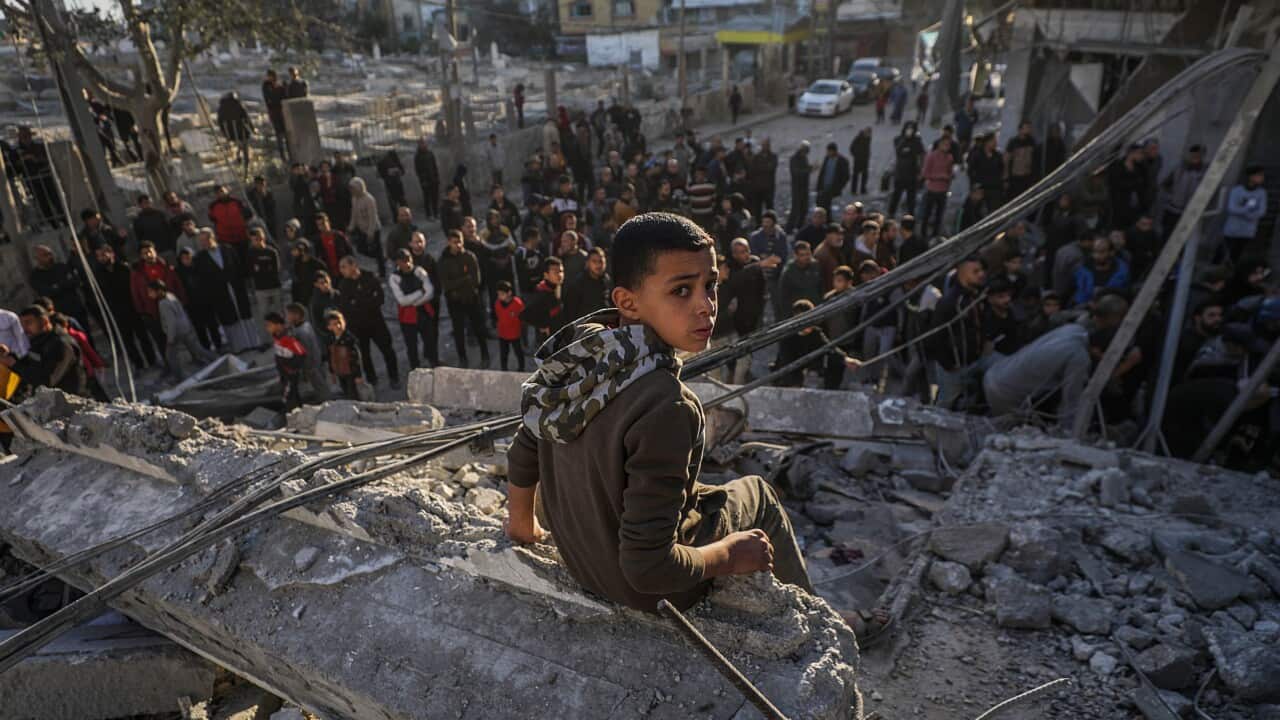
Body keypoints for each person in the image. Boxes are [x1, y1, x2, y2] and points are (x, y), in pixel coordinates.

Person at [505, 212, 819, 618]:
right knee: (758, 492)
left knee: (700, 490)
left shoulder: (581, 354)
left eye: (711, 286)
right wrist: (727, 554)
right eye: (681, 291)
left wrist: (522, 526)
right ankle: (811, 610)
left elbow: (526, 444)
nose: (706, 306)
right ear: (627, 302)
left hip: (581, 560)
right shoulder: (669, 406)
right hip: (647, 593)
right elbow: (648, 569)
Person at [984, 295, 1126, 429]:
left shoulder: (1071, 330)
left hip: (994, 375)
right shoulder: (1079, 357)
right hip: (1004, 396)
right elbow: (1071, 406)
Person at [924, 255, 986, 410]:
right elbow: (936, 336)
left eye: (981, 270)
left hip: (971, 362)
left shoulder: (974, 296)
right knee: (945, 404)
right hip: (953, 367)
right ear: (962, 273)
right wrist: (948, 364)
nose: (981, 274)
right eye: (975, 271)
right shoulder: (950, 301)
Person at [92, 243, 159, 370]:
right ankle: (138, 365)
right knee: (127, 342)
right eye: (99, 256)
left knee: (143, 336)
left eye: (103, 255)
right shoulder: (98, 274)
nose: (101, 258)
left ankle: (152, 361)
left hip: (133, 308)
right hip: (117, 312)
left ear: (111, 253)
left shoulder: (124, 268)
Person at [336, 256, 400, 389]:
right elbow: (346, 308)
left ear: (353, 265)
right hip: (358, 326)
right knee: (364, 355)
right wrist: (366, 301)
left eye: (344, 267)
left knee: (387, 349)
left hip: (376, 322)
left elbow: (380, 298)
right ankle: (372, 379)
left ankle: (394, 377)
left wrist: (359, 303)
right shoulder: (344, 286)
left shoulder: (369, 277)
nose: (341, 270)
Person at [0, 306, 85, 396]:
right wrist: (9, 355)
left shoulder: (62, 344)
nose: (24, 328)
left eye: (28, 322)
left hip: (68, 402)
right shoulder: (37, 342)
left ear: (44, 321)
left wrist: (14, 364)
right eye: (22, 325)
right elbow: (31, 363)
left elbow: (47, 380)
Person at [195, 229, 257, 352]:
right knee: (229, 318)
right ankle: (239, 347)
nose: (204, 243)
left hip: (236, 287)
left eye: (206, 239)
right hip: (219, 293)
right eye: (201, 241)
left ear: (212, 237)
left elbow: (238, 267)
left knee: (244, 313)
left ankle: (253, 343)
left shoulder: (227, 249)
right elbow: (203, 279)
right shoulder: (200, 258)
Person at [438, 229, 491, 368]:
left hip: (471, 299)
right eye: (454, 242)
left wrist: (459, 283)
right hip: (455, 301)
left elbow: (476, 280)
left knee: (479, 328)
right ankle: (463, 358)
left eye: (460, 242)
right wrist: (464, 280)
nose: (458, 245)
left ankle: (485, 355)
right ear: (449, 242)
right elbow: (446, 284)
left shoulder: (469, 257)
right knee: (459, 332)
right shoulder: (444, 260)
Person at [148, 280, 212, 381]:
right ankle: (218, 358)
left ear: (158, 291)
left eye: (151, 291)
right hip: (185, 328)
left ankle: (179, 378)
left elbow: (171, 322)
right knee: (198, 349)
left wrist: (170, 338)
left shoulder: (163, 304)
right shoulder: (170, 295)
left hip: (176, 332)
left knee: (171, 357)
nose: (149, 294)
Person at [389, 249, 438, 370]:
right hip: (407, 318)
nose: (407, 263)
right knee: (412, 346)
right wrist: (420, 292)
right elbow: (402, 301)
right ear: (398, 263)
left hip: (423, 312)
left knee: (430, 341)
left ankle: (434, 363)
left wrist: (414, 303)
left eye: (408, 259)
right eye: (403, 261)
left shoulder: (419, 271)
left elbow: (430, 292)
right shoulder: (395, 278)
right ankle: (415, 369)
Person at [29, 245, 90, 335]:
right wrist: (63, 284)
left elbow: (75, 281)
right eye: (45, 255)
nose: (50, 257)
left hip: (76, 308)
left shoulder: (62, 267)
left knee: (86, 334)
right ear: (37, 258)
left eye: (50, 254)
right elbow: (46, 292)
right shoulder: (35, 277)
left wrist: (58, 286)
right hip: (60, 313)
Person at [246, 227, 284, 348]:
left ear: (263, 237)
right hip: (260, 289)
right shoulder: (250, 254)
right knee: (264, 315)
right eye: (254, 239)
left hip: (274, 286)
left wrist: (262, 270)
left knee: (279, 313)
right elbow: (251, 272)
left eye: (259, 238)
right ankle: (268, 340)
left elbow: (276, 269)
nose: (257, 241)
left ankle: (283, 336)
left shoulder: (271, 252)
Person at [1222, 165, 1267, 264]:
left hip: (1247, 231)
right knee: (1222, 254)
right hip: (1232, 230)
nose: (1262, 178)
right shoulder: (1237, 190)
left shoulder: (1261, 193)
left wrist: (1244, 213)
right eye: (1259, 175)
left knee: (1236, 256)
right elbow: (1231, 208)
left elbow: (1261, 211)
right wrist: (1247, 210)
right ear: (1251, 176)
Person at [1173, 298, 1224, 383]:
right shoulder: (1185, 343)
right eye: (1212, 315)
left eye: (1220, 315)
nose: (1218, 319)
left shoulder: (1218, 340)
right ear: (1197, 318)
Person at [1160, 144, 1205, 241]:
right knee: (1166, 236)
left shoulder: (1205, 172)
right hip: (1172, 210)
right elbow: (1165, 184)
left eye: (1197, 155)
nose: (1194, 157)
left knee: (1181, 240)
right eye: (1193, 154)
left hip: (1188, 213)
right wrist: (1171, 196)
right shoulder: (1179, 168)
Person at [1072, 234, 1130, 307]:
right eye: (1094, 251)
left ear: (1111, 252)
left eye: (1101, 252)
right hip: (1082, 307)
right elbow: (1079, 291)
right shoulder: (1083, 268)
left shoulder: (1121, 271)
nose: (1097, 256)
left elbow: (1123, 294)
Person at [520, 256, 566, 344]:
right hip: (548, 340)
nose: (559, 275)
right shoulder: (542, 293)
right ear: (546, 275)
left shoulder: (558, 286)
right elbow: (524, 315)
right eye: (555, 272)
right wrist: (543, 326)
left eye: (561, 271)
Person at [323, 310, 364, 400]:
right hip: (340, 371)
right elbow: (329, 357)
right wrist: (332, 372)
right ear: (329, 327)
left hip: (350, 371)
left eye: (339, 322)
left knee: (353, 394)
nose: (338, 326)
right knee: (345, 391)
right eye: (334, 324)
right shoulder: (330, 340)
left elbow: (356, 358)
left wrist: (358, 375)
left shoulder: (349, 339)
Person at [920, 136, 955, 238]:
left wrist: (950, 176)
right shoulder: (931, 156)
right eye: (944, 144)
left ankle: (935, 234)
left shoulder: (949, 157)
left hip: (943, 190)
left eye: (948, 145)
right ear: (939, 145)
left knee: (939, 215)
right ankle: (923, 233)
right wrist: (939, 176)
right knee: (927, 213)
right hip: (932, 189)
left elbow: (950, 173)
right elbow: (925, 174)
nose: (946, 147)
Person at [207, 185, 252, 263]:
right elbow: (213, 219)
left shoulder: (237, 202)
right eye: (217, 193)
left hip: (241, 235)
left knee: (246, 257)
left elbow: (248, 214)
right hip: (225, 239)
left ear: (226, 190)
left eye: (222, 191)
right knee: (232, 260)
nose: (220, 194)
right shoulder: (213, 206)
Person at [889, 122, 925, 218]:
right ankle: (891, 213)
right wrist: (905, 140)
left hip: (912, 173)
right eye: (908, 128)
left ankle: (910, 215)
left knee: (911, 197)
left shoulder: (917, 142)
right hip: (900, 173)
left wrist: (921, 171)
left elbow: (922, 155)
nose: (909, 131)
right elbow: (898, 150)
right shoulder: (899, 139)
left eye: (911, 129)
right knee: (896, 195)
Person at [778, 240, 824, 310]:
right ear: (796, 256)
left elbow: (821, 287)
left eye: (808, 254)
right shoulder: (788, 272)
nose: (806, 257)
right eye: (802, 255)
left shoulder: (816, 266)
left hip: (815, 309)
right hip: (799, 312)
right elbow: (783, 298)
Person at [216, 92, 254, 171]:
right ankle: (245, 162)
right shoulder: (238, 105)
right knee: (245, 143)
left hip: (230, 135)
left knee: (239, 144)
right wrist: (252, 129)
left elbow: (220, 123)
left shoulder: (221, 109)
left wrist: (225, 134)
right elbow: (246, 118)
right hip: (242, 133)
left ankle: (238, 156)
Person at [493, 281, 526, 372]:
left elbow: (523, 318)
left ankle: (521, 368)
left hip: (515, 334)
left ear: (509, 293)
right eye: (498, 294)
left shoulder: (517, 304)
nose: (499, 296)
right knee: (503, 353)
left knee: (518, 352)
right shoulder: (497, 304)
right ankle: (504, 369)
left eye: (502, 294)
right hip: (503, 334)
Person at [1004, 121, 1039, 201]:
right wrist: (1005, 178)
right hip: (1015, 177)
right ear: (1020, 129)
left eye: (1029, 128)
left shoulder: (1032, 142)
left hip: (1027, 176)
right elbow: (1006, 160)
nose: (1029, 130)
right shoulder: (1013, 142)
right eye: (1026, 128)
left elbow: (1034, 160)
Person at [312, 213, 354, 277]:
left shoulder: (339, 236)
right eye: (319, 225)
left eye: (323, 223)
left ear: (328, 222)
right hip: (329, 274)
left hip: (344, 272)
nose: (322, 226)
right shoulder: (317, 241)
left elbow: (350, 252)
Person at [815, 143, 850, 216]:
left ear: (833, 151)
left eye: (829, 151)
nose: (827, 153)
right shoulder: (827, 158)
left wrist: (839, 187)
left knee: (826, 206)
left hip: (832, 188)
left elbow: (846, 176)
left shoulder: (842, 161)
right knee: (820, 205)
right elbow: (823, 172)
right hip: (823, 187)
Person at [261, 70, 288, 160]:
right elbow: (269, 97)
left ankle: (289, 153)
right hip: (274, 112)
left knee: (287, 134)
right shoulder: (266, 85)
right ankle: (282, 156)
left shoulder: (279, 84)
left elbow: (284, 95)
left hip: (283, 111)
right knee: (279, 134)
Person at [786, 142, 813, 233]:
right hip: (797, 188)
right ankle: (789, 229)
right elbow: (796, 172)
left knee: (803, 209)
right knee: (796, 209)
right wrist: (808, 170)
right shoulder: (794, 159)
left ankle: (799, 227)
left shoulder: (803, 158)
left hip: (804, 187)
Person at [415, 138, 441, 219]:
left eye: (424, 143)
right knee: (427, 198)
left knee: (435, 197)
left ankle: (436, 213)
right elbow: (418, 170)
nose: (423, 145)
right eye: (421, 144)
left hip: (433, 179)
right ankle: (429, 214)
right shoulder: (418, 156)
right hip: (425, 181)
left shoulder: (430, 154)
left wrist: (437, 177)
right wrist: (423, 180)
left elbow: (434, 166)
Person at [849, 128, 871, 196]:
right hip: (858, 160)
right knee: (855, 176)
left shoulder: (868, 138)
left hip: (865, 160)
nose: (868, 134)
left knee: (865, 176)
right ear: (864, 132)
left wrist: (868, 155)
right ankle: (853, 190)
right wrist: (856, 155)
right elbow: (851, 147)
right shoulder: (858, 138)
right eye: (867, 133)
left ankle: (863, 189)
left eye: (869, 133)